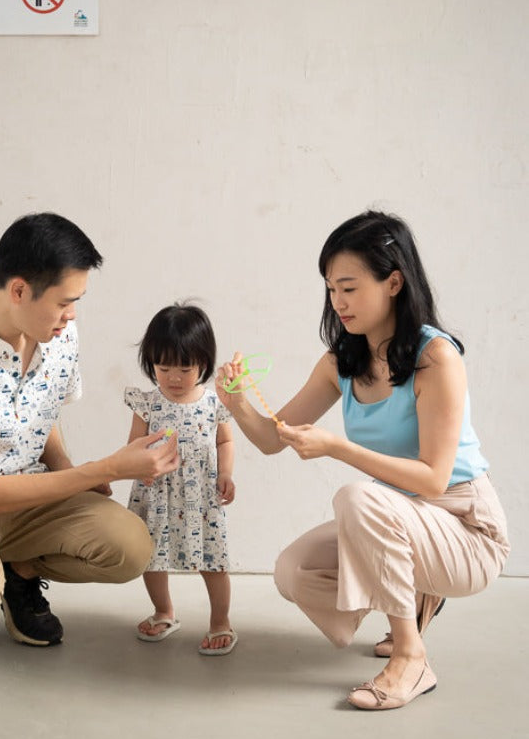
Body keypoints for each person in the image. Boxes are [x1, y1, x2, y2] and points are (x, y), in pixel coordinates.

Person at [217, 210, 509, 708]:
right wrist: (238, 402)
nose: (338, 302)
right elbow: (274, 438)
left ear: (393, 282)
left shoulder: (436, 358)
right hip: (397, 519)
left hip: (465, 525)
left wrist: (339, 447)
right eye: (331, 289)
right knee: (294, 571)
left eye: (349, 287)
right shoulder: (341, 362)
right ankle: (415, 596)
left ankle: (411, 658)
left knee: (357, 497)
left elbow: (435, 479)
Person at [0, 212, 179, 660]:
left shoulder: (60, 334)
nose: (72, 314)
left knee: (130, 547)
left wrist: (67, 470)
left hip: (29, 495)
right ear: (19, 290)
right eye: (65, 301)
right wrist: (104, 469)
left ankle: (16, 574)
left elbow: (42, 414)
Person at [125, 303, 237, 654]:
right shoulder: (147, 403)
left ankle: (221, 621)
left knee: (213, 559)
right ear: (151, 364)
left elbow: (224, 439)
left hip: (200, 495)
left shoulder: (214, 403)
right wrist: (136, 467)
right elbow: (133, 446)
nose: (173, 377)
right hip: (155, 491)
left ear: (203, 363)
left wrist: (226, 474)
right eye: (163, 367)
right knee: (151, 556)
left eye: (185, 368)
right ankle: (163, 611)